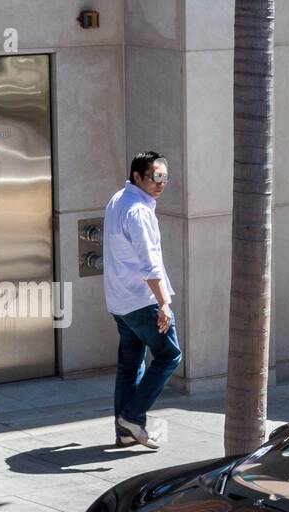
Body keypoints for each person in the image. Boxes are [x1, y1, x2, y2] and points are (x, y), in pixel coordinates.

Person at [103, 151, 181, 449]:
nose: (161, 183)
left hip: (120, 301)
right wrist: (163, 303)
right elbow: (149, 263)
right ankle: (133, 417)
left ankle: (124, 432)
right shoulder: (138, 212)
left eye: (164, 177)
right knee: (169, 356)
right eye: (155, 177)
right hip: (141, 301)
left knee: (130, 364)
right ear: (138, 176)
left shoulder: (117, 200)